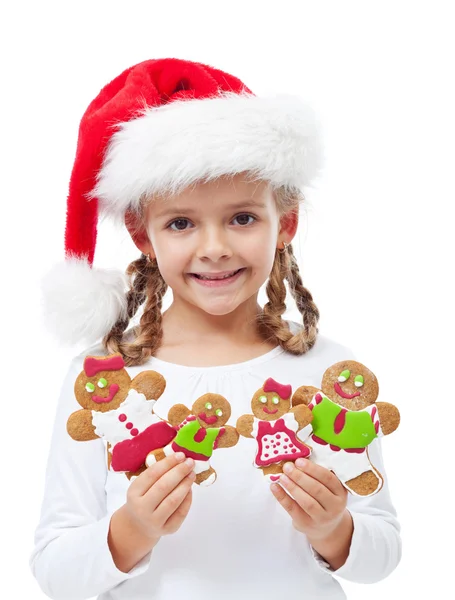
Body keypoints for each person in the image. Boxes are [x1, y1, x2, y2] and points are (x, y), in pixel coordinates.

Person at [29, 57, 401, 600]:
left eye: (242, 218)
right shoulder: (105, 382)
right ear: (142, 235)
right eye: (180, 223)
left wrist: (333, 530)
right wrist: (132, 531)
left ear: (285, 223)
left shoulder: (329, 374)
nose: (214, 248)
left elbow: (383, 555)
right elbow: (54, 570)